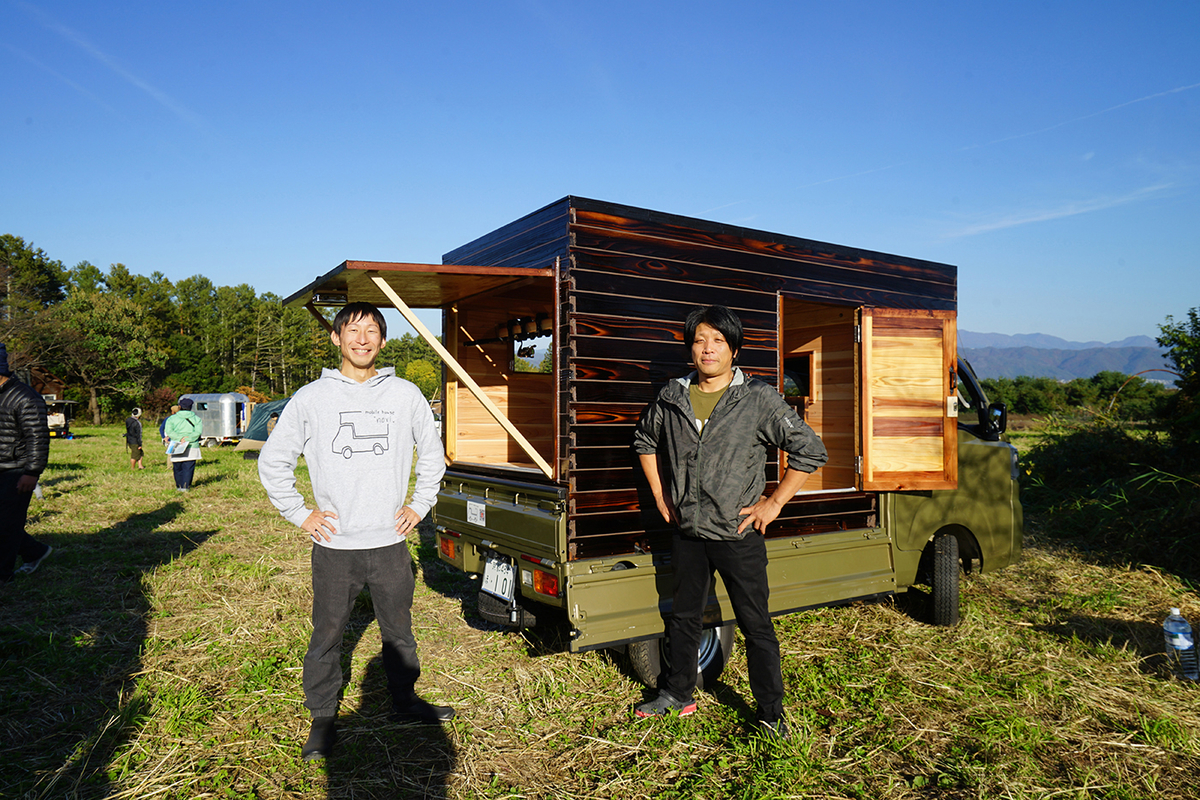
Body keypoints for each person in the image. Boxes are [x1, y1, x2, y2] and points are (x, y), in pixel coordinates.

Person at [258, 301, 450, 762]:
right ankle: (323, 718)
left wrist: (420, 504)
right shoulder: (311, 398)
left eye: (371, 331)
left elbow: (433, 454)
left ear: (383, 342)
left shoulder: (405, 395)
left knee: (399, 632)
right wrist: (301, 513)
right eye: (353, 330)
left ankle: (404, 702)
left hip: (389, 543)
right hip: (335, 547)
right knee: (327, 634)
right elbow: (273, 461)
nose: (362, 339)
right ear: (336, 338)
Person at [631, 305, 828, 738]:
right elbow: (645, 440)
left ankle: (770, 713)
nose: (708, 349)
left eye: (718, 341)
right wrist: (662, 494)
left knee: (756, 624)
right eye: (700, 340)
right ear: (690, 348)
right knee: (683, 617)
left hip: (738, 534)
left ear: (733, 350)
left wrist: (773, 503)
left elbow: (810, 450)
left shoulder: (756, 398)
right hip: (688, 531)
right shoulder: (672, 395)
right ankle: (678, 693)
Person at [0, 343, 53, 585]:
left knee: (6, 526)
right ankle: (36, 551)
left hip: (17, 471)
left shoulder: (26, 397)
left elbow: (38, 439)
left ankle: (3, 576)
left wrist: (32, 473)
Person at [163, 398, 203, 491]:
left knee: (177, 467)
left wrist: (179, 438)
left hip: (176, 445)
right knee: (188, 467)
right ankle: (185, 486)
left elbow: (169, 431)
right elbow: (198, 432)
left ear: (179, 407)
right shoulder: (197, 419)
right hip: (192, 446)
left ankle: (179, 486)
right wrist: (187, 439)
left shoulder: (172, 419)